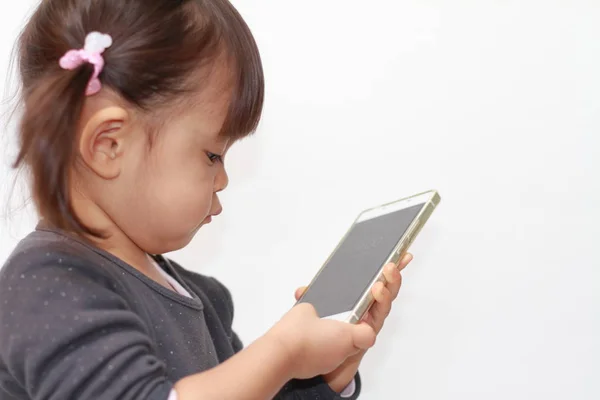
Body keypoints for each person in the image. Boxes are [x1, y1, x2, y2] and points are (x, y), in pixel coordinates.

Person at [0, 0, 412, 399]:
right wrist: (283, 352)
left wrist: (326, 374)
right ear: (109, 145)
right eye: (213, 155)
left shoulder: (202, 298)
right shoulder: (47, 284)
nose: (224, 179)